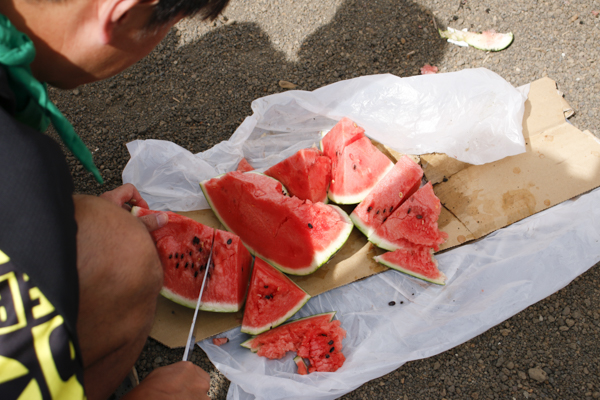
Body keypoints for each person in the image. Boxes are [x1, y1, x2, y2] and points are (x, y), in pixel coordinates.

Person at [0, 0, 229, 398]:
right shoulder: (19, 173)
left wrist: (51, 224)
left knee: (110, 245)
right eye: (168, 28)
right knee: (123, 253)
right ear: (122, 12)